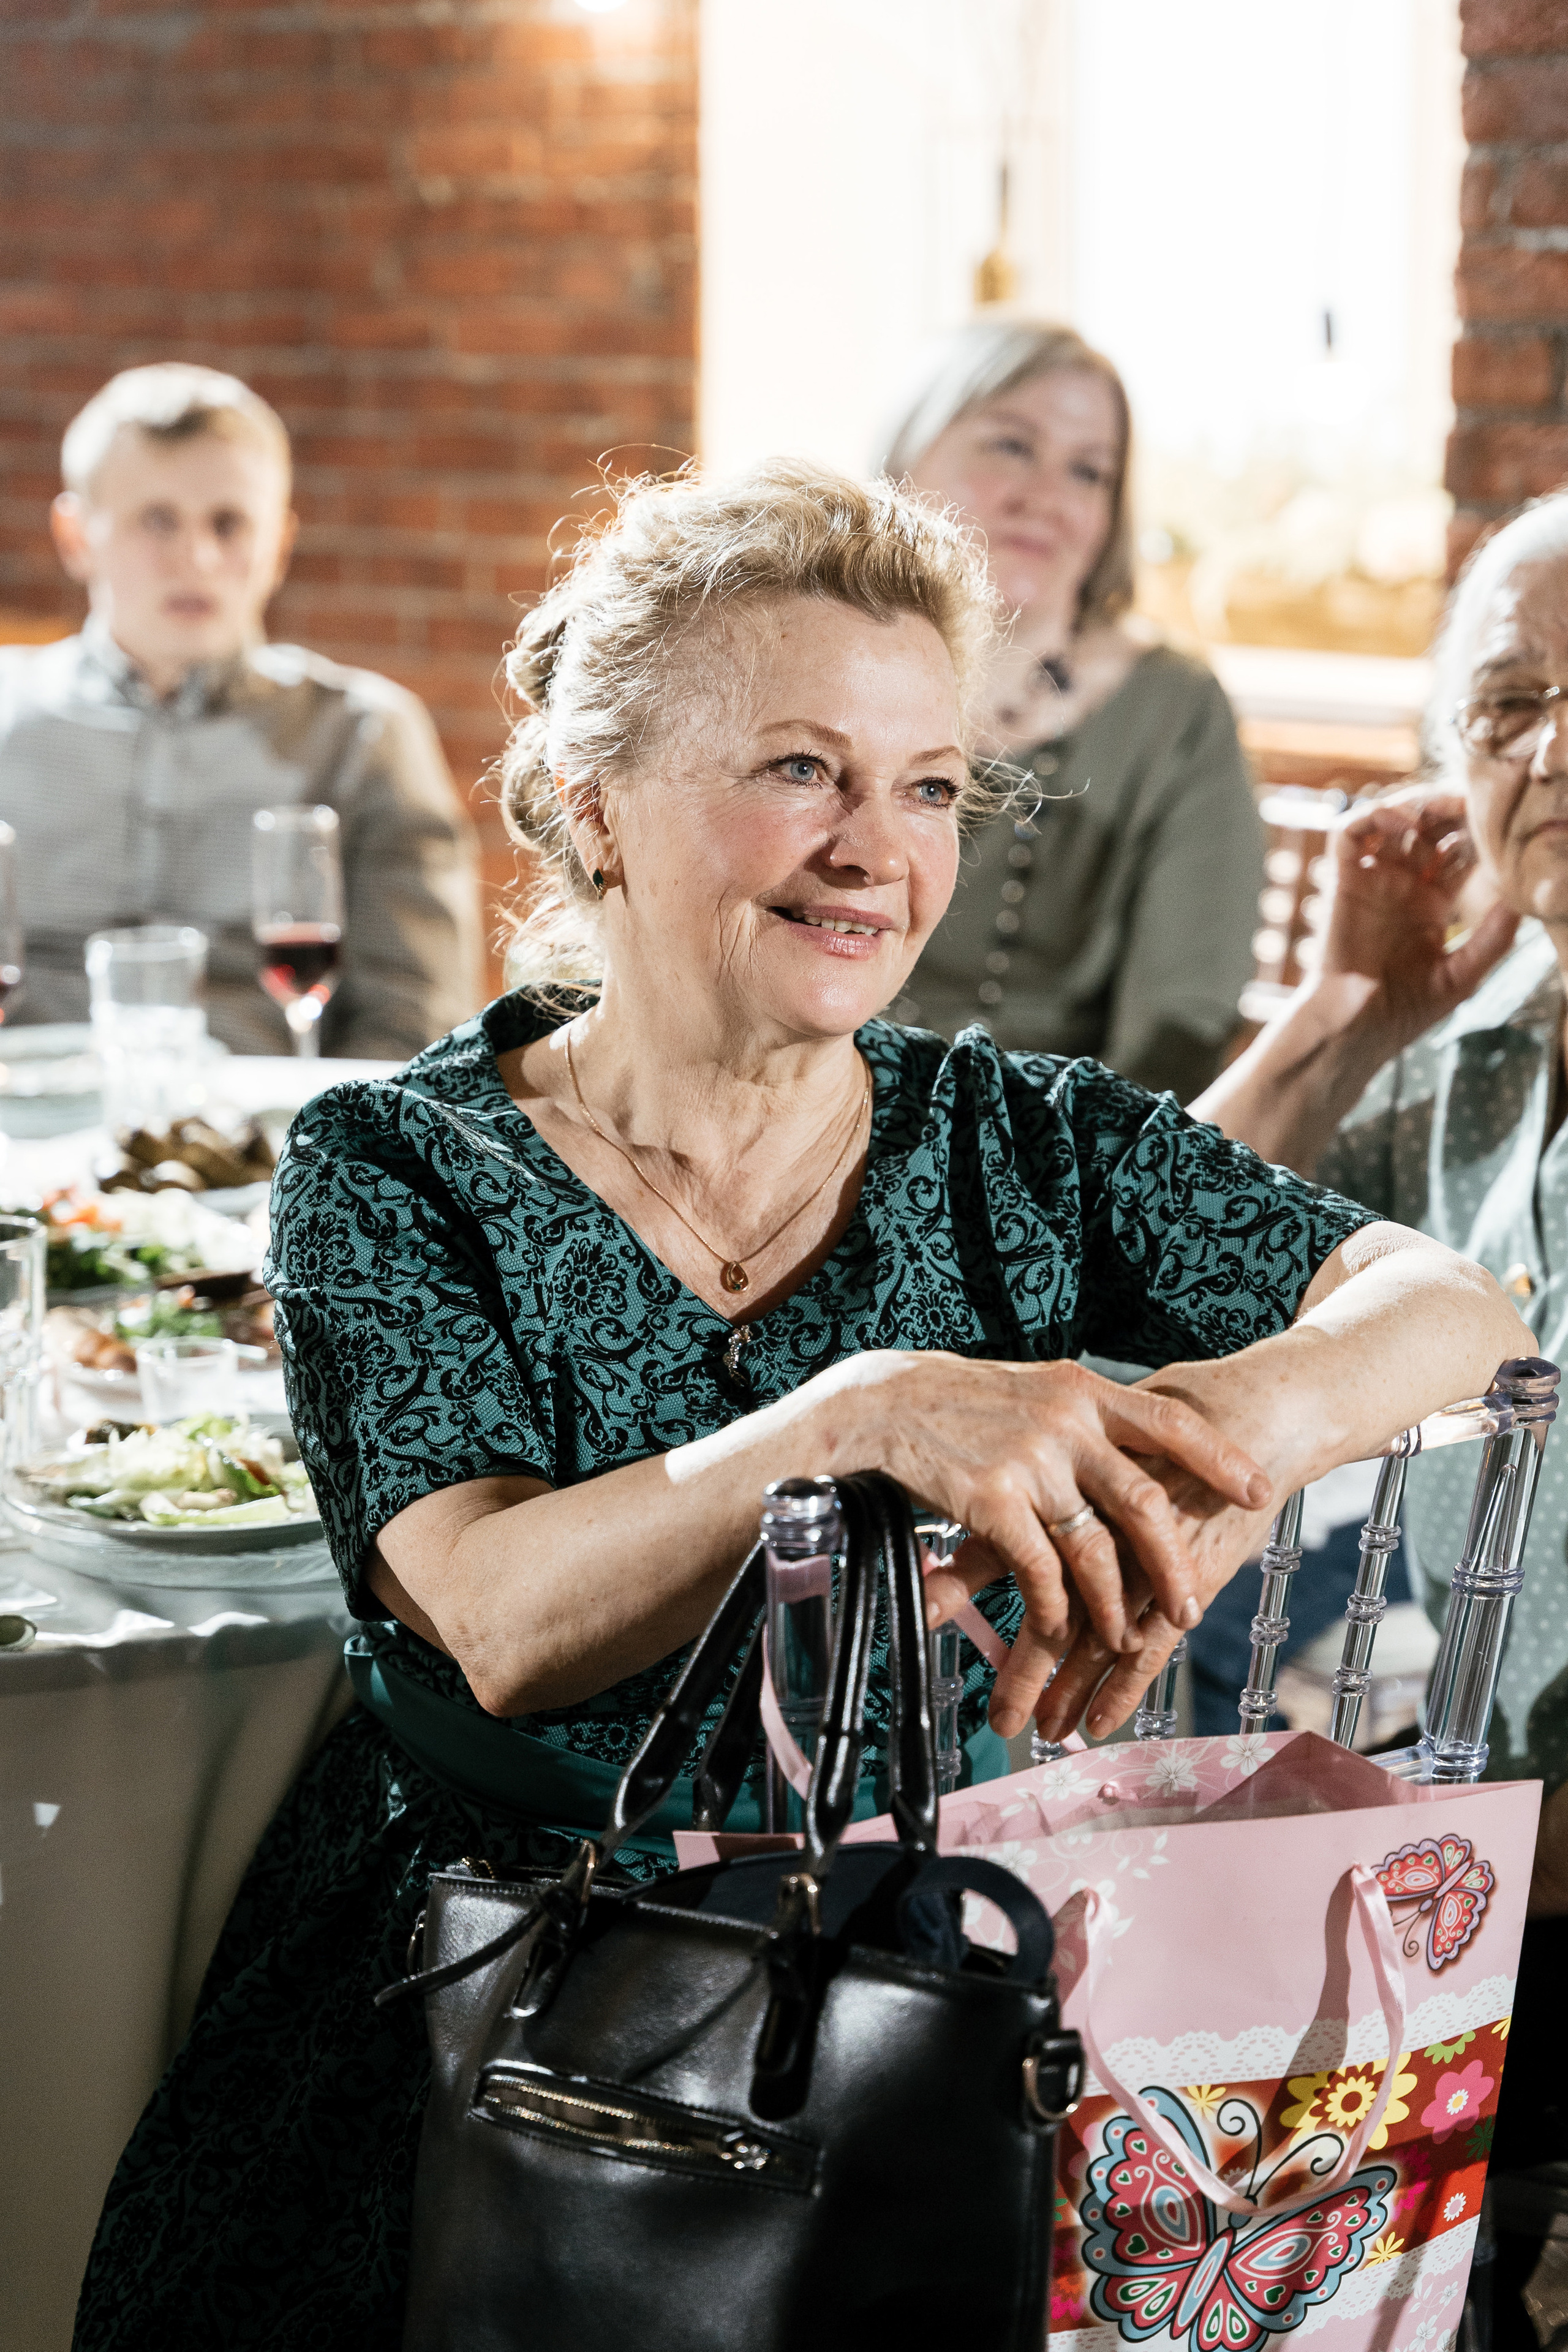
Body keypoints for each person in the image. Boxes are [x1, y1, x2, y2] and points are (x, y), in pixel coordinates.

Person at [72, 463, 1527, 2351]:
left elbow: (1448, 1301)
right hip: (501, 2018)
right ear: (593, 804)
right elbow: (499, 1616)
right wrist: (865, 1408)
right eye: (799, 768)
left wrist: (1224, 1441)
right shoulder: (395, 1160)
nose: (877, 849)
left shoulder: (1013, 1137)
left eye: (924, 784)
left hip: (926, 2006)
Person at [1195, 491, 1568, 2347]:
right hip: (1421, 1880)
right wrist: (1341, 1002)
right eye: (1505, 703)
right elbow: (1138, 1273)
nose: (1552, 748)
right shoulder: (1455, 1055)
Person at [0, 363, 481, 1058]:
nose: (196, 557)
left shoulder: (362, 735)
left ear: (279, 545)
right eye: (157, 521)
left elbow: (416, 1032)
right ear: (76, 538)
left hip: (272, 1152)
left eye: (229, 524)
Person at [880, 318, 1263, 1101]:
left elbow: (1176, 1034)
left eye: (1089, 473)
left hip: (1043, 1163)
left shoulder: (1173, 714)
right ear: (908, 455)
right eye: (1011, 447)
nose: (1046, 499)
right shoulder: (819, 672)